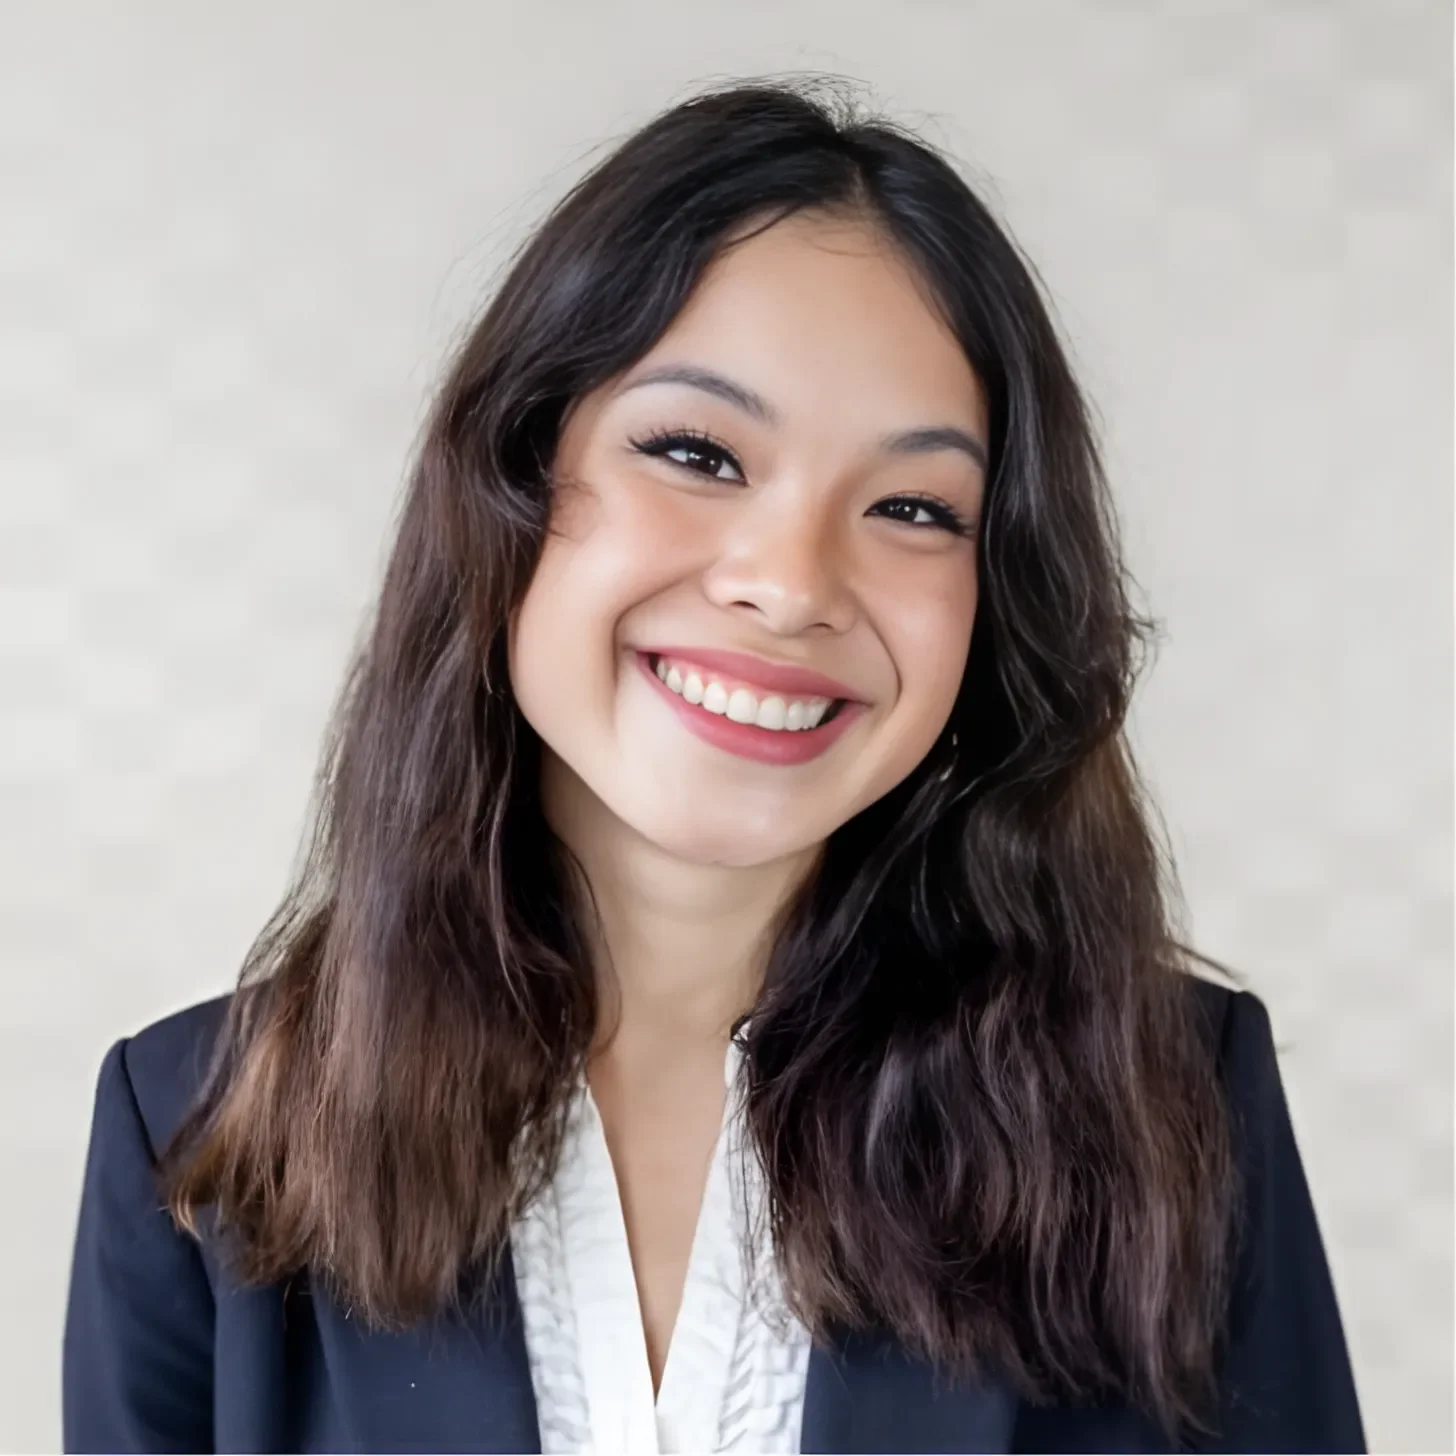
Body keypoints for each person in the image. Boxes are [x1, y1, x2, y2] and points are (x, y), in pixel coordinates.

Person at [61, 75, 1366, 1454]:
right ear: (509, 483)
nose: (792, 584)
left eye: (914, 507)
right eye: (697, 451)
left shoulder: (1174, 1100)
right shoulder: (198, 1139)